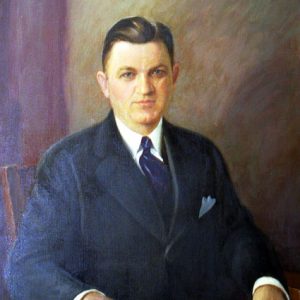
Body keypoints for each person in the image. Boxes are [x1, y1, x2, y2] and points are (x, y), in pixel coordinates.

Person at [5, 16, 289, 300]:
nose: (145, 89)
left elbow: (238, 234)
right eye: (128, 74)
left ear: (174, 76)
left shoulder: (202, 154)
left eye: (157, 72)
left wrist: (265, 282)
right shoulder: (67, 163)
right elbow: (27, 266)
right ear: (104, 84)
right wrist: (84, 298)